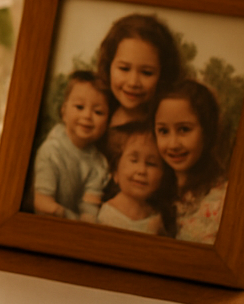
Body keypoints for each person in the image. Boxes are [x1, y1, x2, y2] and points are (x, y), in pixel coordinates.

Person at [155, 79, 227, 244]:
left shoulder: (219, 200)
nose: (173, 144)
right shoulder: (156, 188)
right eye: (163, 131)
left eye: (184, 129)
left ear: (206, 130)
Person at [32, 70, 110, 221]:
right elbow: (41, 202)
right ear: (64, 112)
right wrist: (71, 218)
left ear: (107, 122)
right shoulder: (51, 151)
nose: (87, 116)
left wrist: (86, 226)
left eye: (98, 112)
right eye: (79, 107)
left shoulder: (99, 163)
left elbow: (89, 208)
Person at [95, 13, 182, 128]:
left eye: (146, 72)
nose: (133, 82)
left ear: (163, 75)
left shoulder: (164, 126)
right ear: (108, 66)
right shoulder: (96, 116)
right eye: (124, 69)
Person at [97, 120, 175, 236]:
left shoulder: (156, 219)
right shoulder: (104, 214)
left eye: (151, 163)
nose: (141, 171)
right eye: (134, 161)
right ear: (115, 172)